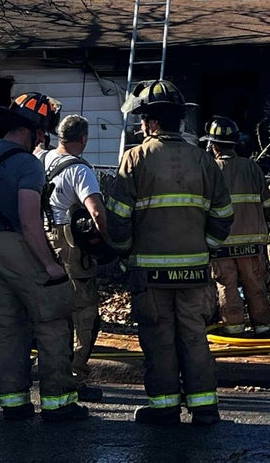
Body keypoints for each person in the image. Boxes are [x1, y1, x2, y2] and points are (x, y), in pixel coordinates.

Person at [106, 79, 233, 426]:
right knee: (194, 336)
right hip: (194, 270)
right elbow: (224, 214)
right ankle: (204, 407)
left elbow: (118, 218)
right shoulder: (204, 160)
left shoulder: (135, 158)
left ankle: (164, 407)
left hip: (149, 272)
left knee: (159, 337)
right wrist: (204, 246)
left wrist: (123, 251)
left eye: (143, 120)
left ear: (151, 122)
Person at [0, 92, 88, 422]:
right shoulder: (27, 163)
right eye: (42, 133)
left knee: (7, 327)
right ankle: (59, 403)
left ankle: (14, 402)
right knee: (53, 321)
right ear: (32, 130)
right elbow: (30, 220)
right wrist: (49, 265)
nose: (41, 139)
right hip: (21, 244)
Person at [38, 114, 109, 403]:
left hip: (43, 239)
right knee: (84, 310)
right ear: (83, 139)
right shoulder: (81, 171)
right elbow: (95, 210)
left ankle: (54, 372)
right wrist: (106, 241)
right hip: (71, 244)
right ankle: (75, 377)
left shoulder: (43, 160)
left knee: (56, 310)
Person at [201, 116, 270, 337]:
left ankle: (233, 330)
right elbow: (268, 205)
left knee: (227, 286)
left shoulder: (209, 170)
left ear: (214, 145)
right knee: (255, 285)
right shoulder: (252, 168)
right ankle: (265, 328)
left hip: (221, 242)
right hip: (252, 243)